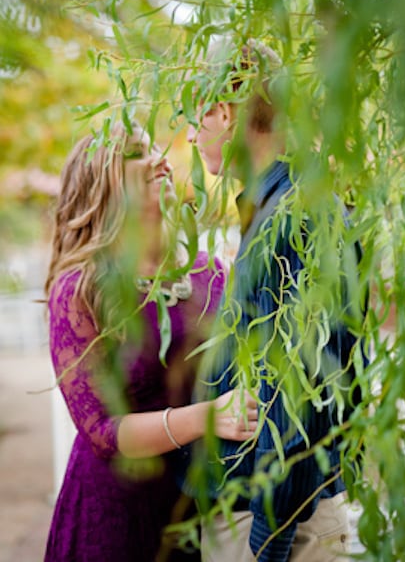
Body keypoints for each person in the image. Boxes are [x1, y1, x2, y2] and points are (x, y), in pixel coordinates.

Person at [183, 38, 365, 562]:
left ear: (225, 112)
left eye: (196, 116)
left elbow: (297, 397)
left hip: (277, 524)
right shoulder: (277, 207)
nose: (191, 135)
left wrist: (267, 544)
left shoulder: (292, 218)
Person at [43, 121, 258, 562]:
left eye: (156, 148)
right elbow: (101, 433)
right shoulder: (80, 291)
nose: (161, 160)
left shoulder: (211, 272)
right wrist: (205, 419)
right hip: (116, 519)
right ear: (102, 182)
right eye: (137, 153)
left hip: (198, 514)